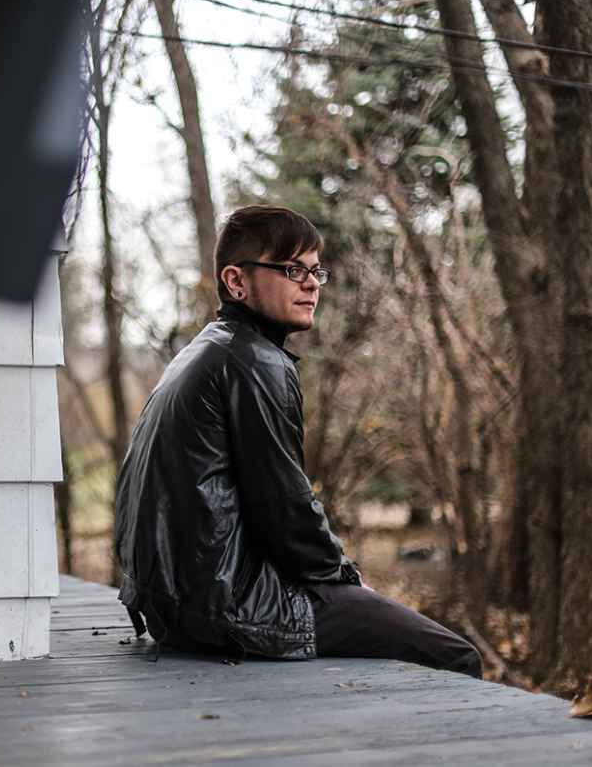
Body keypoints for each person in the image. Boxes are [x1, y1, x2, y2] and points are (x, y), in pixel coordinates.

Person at [113, 204, 482, 678]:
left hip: (175, 603)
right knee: (456, 657)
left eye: (315, 271)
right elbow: (285, 508)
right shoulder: (253, 361)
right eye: (291, 270)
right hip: (231, 605)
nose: (311, 284)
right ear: (236, 281)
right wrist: (348, 580)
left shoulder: (207, 349)